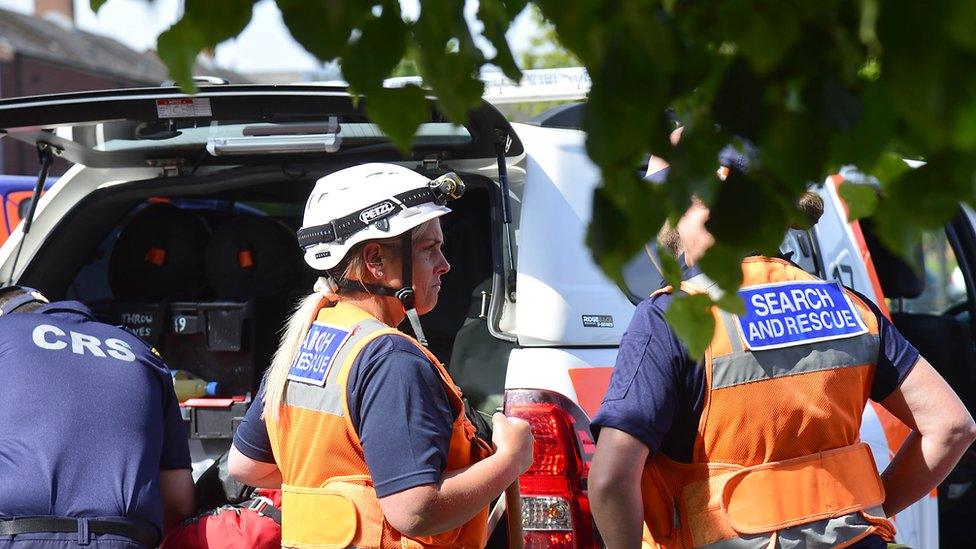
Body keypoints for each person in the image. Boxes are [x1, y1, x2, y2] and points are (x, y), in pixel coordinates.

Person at [589, 187, 976, 548]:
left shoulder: (672, 318)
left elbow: (609, 480)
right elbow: (952, 427)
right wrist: (866, 512)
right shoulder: (851, 307)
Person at [228, 163, 534, 549]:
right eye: (429, 249)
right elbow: (415, 512)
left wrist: (360, 491)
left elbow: (247, 466)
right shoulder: (390, 360)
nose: (445, 264)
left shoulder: (313, 337)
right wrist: (510, 460)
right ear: (375, 260)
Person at [0, 286, 195, 547]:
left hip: (17, 536)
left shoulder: (6, 332)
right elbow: (179, 501)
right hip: (125, 539)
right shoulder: (141, 350)